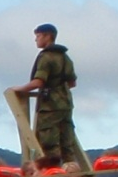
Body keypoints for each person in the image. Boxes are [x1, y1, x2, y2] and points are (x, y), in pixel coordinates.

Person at [11, 22, 84, 169]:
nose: (36, 39)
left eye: (38, 36)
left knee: (48, 143)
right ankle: (72, 175)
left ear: (47, 36)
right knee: (67, 143)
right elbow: (72, 83)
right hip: (66, 104)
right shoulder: (65, 58)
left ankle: (51, 176)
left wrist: (21, 89)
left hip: (50, 106)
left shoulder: (46, 57)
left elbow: (38, 82)